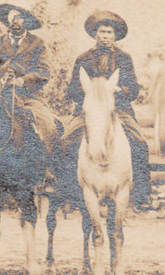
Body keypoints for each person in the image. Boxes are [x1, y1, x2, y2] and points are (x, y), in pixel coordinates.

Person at [59, 10, 151, 208]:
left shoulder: (124, 58)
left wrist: (119, 90)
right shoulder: (83, 58)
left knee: (140, 142)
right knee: (66, 141)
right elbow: (73, 89)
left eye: (109, 33)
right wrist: (91, 92)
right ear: (95, 34)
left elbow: (133, 88)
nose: (106, 36)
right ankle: (68, 192)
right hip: (90, 111)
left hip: (118, 110)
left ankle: (142, 193)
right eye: (102, 32)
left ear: (115, 36)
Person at [0, 2, 61, 153]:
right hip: (1, 95)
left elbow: (43, 71)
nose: (15, 21)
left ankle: (48, 167)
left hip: (28, 96)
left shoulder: (37, 43)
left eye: (19, 18)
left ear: (27, 21)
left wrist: (22, 80)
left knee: (48, 125)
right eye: (11, 18)